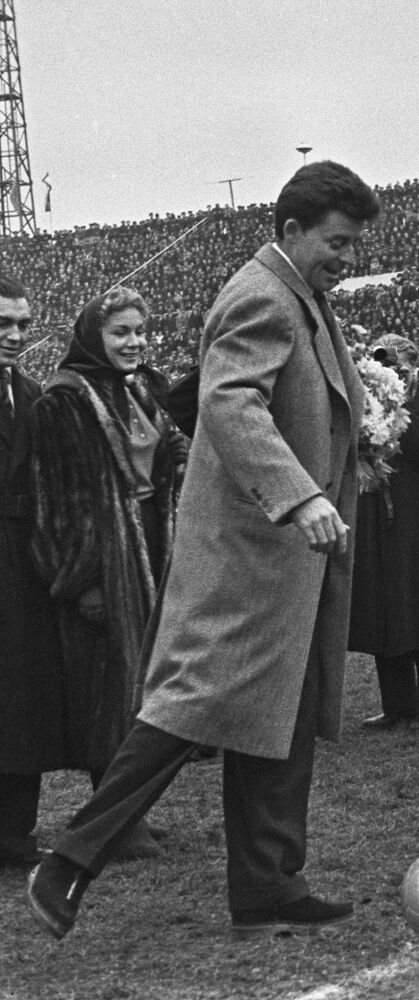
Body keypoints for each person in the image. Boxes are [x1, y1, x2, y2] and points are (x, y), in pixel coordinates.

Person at [28, 161, 381, 940]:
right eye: (338, 242)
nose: (346, 258)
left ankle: (267, 883)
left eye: (353, 245)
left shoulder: (302, 297)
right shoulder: (261, 295)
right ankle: (70, 860)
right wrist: (300, 492)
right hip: (250, 552)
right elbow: (229, 402)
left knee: (278, 716)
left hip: (282, 552)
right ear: (290, 230)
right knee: (187, 710)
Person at [26, 286, 187, 862]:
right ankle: (112, 822)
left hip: (150, 546)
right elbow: (56, 502)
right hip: (105, 560)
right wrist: (81, 579)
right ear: (94, 336)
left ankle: (131, 812)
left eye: (141, 332)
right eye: (121, 333)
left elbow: (166, 458)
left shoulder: (141, 390)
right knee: (108, 692)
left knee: (145, 690)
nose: (135, 342)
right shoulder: (64, 401)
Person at [348, 334, 419, 731]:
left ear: (416, 369)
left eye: (400, 368)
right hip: (375, 513)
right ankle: (397, 704)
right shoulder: (365, 403)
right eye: (385, 367)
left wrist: (398, 402)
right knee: (383, 606)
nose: (392, 374)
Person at [0, 275, 65, 870]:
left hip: (23, 573)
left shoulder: (32, 391)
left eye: (22, 323)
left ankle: (15, 836)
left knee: (22, 701)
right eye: (3, 324)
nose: (16, 336)